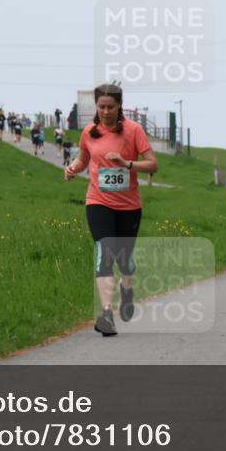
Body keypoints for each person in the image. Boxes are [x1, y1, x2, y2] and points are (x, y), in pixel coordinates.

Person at [65, 82, 158, 336]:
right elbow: (83, 159)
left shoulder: (133, 131)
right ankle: (107, 313)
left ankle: (126, 290)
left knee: (124, 261)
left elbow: (152, 165)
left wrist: (127, 164)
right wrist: (73, 168)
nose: (105, 112)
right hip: (98, 202)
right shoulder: (89, 132)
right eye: (101, 106)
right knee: (104, 253)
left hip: (129, 206)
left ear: (119, 106)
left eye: (110, 107)